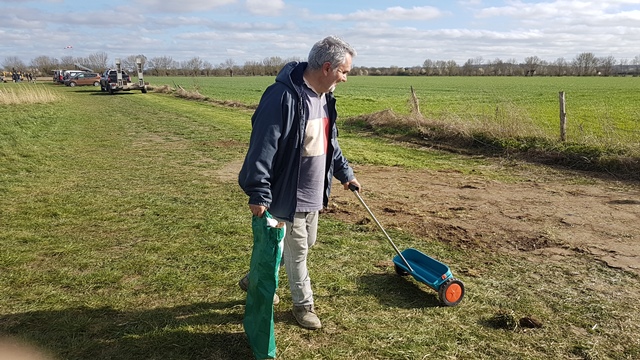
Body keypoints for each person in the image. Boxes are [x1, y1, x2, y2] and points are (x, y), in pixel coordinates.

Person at [238, 35, 361, 330]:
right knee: (299, 252)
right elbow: (263, 146)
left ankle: (254, 278)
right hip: (287, 194)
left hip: (314, 193)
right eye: (344, 72)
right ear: (328, 67)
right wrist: (258, 190)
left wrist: (345, 173)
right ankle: (303, 306)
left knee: (304, 245)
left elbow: (330, 143)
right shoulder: (282, 97)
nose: (345, 78)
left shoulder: (324, 98)